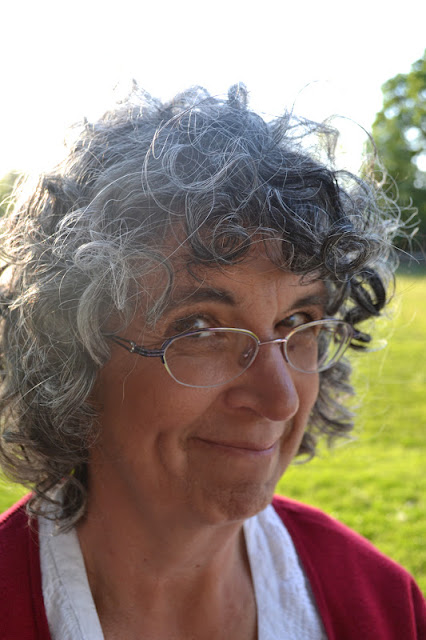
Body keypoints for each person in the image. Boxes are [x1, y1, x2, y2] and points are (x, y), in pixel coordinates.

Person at [0, 84, 424, 640]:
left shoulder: (384, 607)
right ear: (69, 357)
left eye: (298, 322)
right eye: (200, 328)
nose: (281, 399)